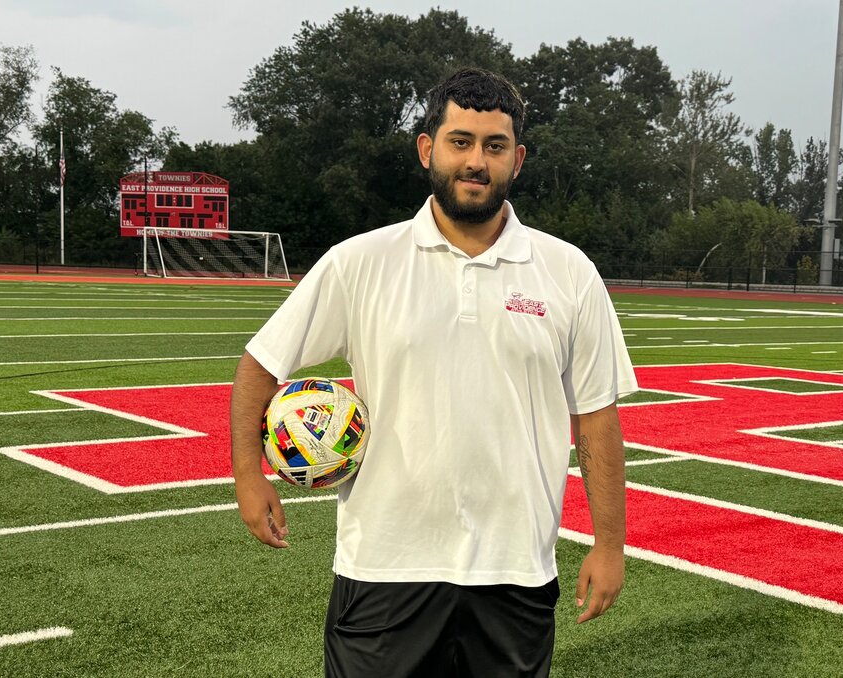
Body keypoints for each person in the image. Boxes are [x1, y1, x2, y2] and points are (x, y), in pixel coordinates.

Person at [231, 67, 638, 677]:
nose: (477, 161)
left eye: (494, 146)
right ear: (428, 149)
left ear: (517, 160)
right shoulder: (360, 261)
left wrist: (609, 545)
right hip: (385, 568)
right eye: (461, 142)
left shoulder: (568, 272)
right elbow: (261, 365)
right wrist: (247, 475)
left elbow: (597, 418)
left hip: (515, 571)